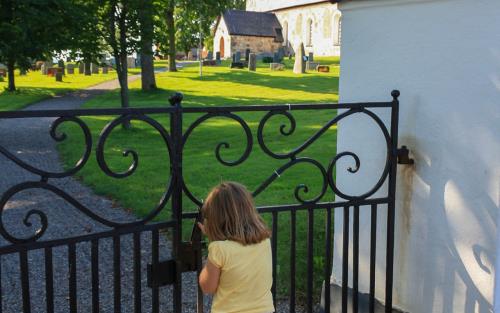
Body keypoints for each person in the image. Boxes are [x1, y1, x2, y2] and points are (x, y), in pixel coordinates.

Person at [198, 182, 275, 313]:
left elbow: (208, 287)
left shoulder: (219, 249)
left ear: (215, 218)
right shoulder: (264, 241)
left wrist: (212, 238)